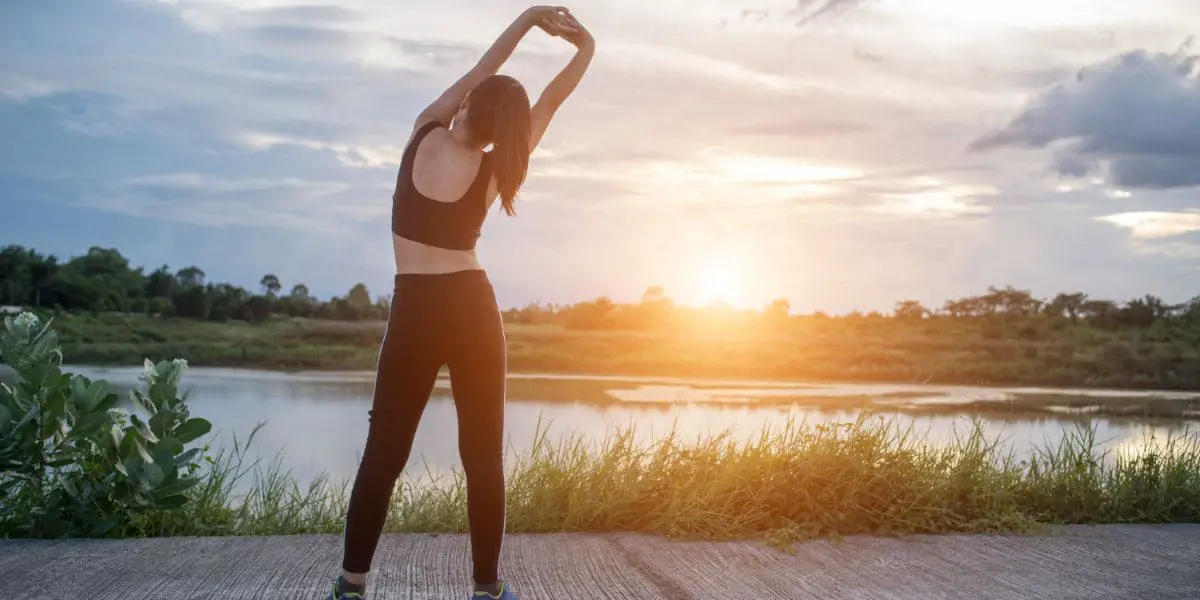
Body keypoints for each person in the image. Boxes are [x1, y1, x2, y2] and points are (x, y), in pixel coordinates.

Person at [325, 6, 594, 600]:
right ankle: (486, 591)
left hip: (415, 307)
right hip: (473, 308)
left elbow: (485, 67)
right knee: (482, 456)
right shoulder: (498, 168)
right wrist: (585, 52)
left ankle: (351, 586)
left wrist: (527, 21)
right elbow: (546, 106)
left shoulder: (424, 130)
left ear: (469, 103)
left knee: (383, 454)